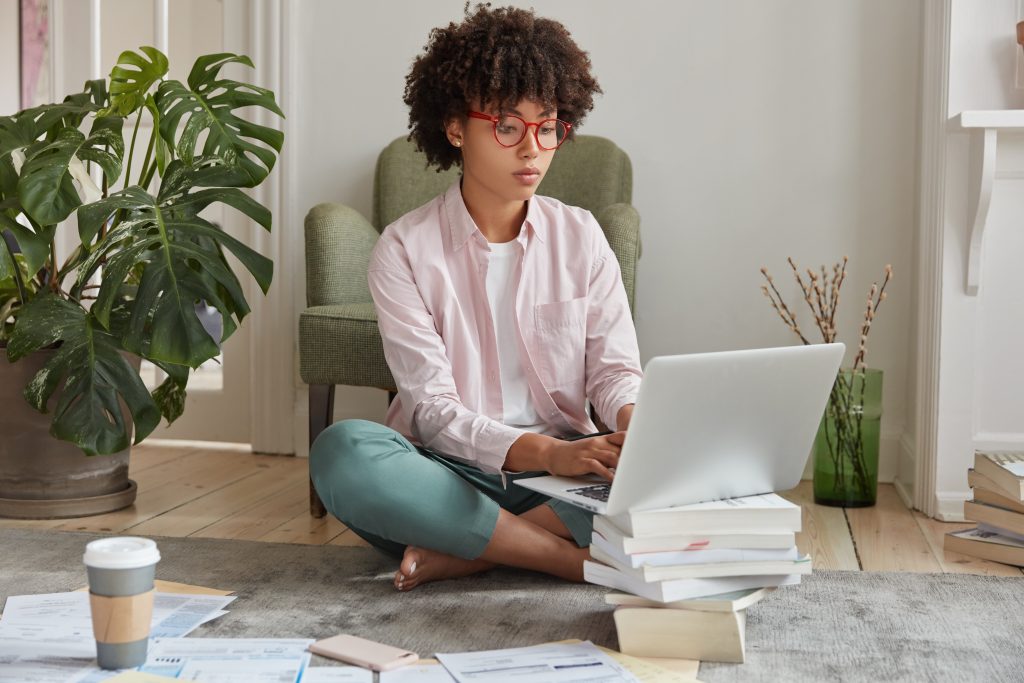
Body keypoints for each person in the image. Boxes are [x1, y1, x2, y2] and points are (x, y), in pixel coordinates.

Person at [309, 3, 642, 592]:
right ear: (456, 127)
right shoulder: (405, 248)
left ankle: (469, 552)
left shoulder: (581, 236)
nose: (533, 149)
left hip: (566, 475)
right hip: (443, 472)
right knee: (343, 452)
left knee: (676, 476)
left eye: (549, 126)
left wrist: (638, 429)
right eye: (508, 126)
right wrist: (542, 452)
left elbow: (614, 374)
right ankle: (565, 559)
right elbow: (432, 412)